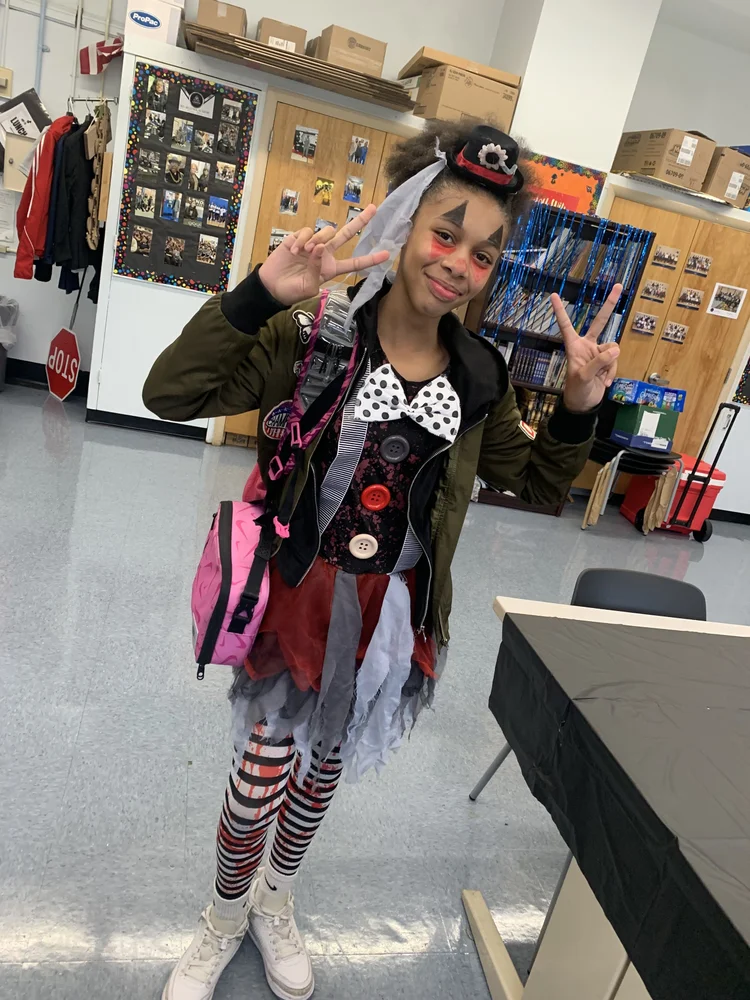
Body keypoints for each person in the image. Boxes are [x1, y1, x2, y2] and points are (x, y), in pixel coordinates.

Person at [143, 122, 621, 1000]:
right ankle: (222, 916)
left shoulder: (480, 376)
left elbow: (539, 484)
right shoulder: (313, 335)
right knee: (258, 781)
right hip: (296, 596)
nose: (458, 264)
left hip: (389, 615)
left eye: (483, 253)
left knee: (320, 775)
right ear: (404, 221)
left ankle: (276, 899)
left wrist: (580, 409)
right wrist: (257, 296)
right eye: (445, 232)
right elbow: (170, 393)